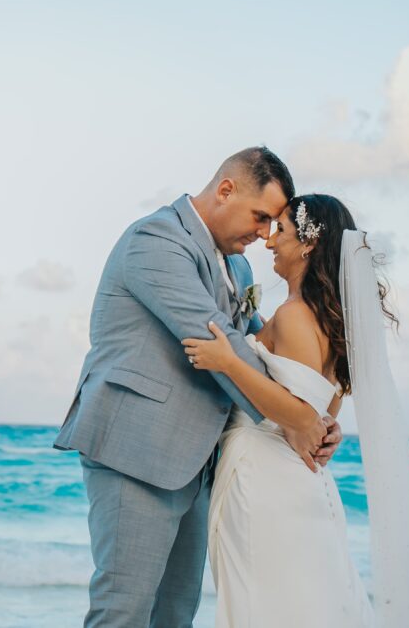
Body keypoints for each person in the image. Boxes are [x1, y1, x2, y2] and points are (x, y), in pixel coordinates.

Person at [53, 147, 342, 627]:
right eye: (261, 216)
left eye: (275, 223)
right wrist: (297, 416)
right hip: (137, 451)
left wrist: (307, 404)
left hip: (196, 461)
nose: (265, 233)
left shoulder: (240, 268)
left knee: (176, 614)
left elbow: (261, 342)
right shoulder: (156, 240)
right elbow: (217, 340)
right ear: (226, 189)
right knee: (124, 609)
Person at [183, 194, 409, 627]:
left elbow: (300, 413)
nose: (270, 242)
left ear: (308, 244)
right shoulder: (332, 323)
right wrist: (326, 427)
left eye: (281, 231)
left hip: (266, 479)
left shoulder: (294, 316)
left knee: (264, 606)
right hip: (302, 483)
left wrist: (228, 362)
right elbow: (326, 410)